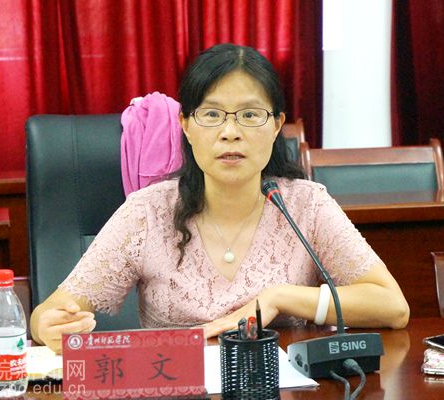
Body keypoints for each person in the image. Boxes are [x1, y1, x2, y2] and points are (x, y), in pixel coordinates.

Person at [30, 43, 410, 353]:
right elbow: (49, 313)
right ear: (186, 126)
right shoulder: (148, 211)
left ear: (276, 125)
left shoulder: (305, 205)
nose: (230, 132)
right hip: (175, 389)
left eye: (250, 115)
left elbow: (392, 307)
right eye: (212, 115)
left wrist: (281, 298)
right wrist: (48, 324)